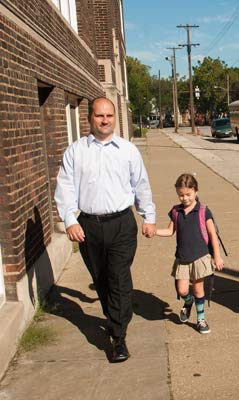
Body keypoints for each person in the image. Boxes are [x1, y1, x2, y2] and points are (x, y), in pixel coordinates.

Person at [54, 97, 156, 362]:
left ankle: (118, 337)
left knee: (119, 278)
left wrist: (149, 216)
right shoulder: (75, 151)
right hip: (89, 226)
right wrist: (70, 219)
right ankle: (114, 319)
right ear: (89, 118)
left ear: (114, 118)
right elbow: (64, 187)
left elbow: (141, 185)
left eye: (109, 115)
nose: (105, 120)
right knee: (102, 280)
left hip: (122, 224)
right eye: (100, 116)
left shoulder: (127, 150)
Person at [155, 173, 224, 334]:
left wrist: (218, 256)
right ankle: (188, 301)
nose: (184, 198)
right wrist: (155, 231)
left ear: (196, 191)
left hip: (200, 256)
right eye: (181, 195)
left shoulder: (203, 211)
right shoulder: (176, 211)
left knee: (199, 289)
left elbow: (212, 234)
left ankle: (200, 319)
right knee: (182, 290)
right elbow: (170, 230)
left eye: (188, 194)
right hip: (182, 257)